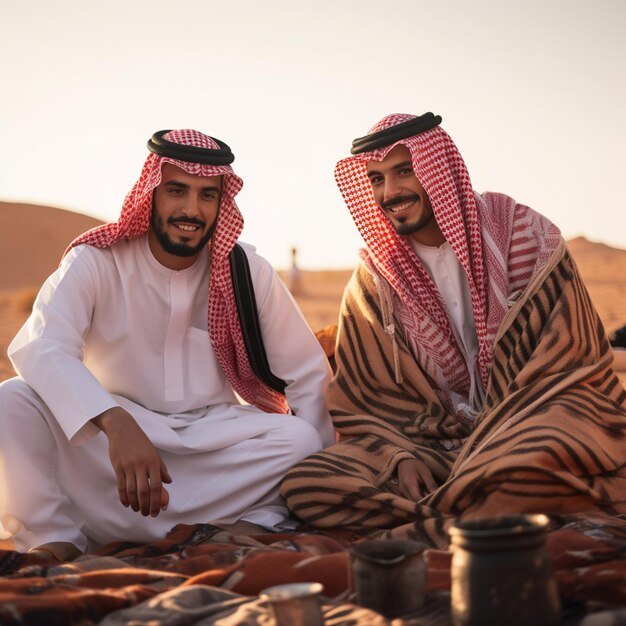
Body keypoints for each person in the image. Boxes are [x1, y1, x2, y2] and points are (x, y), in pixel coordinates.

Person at [281, 112, 626, 548]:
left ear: (439, 168)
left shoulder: (522, 235)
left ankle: (460, 511)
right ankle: (476, 511)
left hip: (533, 418)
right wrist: (398, 454)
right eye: (377, 179)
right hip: (433, 443)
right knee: (310, 482)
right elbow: (362, 400)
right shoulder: (374, 280)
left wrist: (494, 436)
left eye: (405, 171)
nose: (391, 192)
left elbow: (572, 359)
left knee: (535, 450)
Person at [0, 129, 334, 561]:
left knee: (301, 439)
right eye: (177, 190)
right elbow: (41, 346)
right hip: (107, 448)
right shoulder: (97, 261)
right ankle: (53, 536)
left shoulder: (246, 269)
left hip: (210, 443)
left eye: (207, 196)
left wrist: (325, 480)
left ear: (222, 202)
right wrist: (115, 422)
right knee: (13, 400)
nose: (191, 209)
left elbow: (306, 375)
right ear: (151, 193)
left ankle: (238, 519)